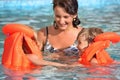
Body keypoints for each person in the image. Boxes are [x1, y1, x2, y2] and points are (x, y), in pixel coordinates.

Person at [26, 0, 84, 66]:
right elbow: (33, 58)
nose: (61, 21)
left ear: (75, 15)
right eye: (58, 16)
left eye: (66, 17)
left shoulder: (84, 35)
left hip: (75, 74)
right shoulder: (43, 34)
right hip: (49, 74)